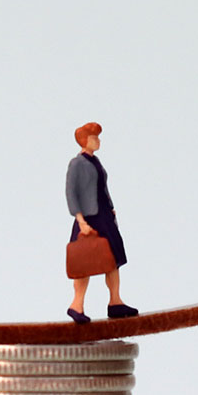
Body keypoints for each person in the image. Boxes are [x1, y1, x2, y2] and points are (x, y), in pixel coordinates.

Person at [64, 122, 139, 323]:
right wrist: (80, 220)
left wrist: (111, 208)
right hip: (89, 217)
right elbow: (71, 193)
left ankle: (115, 301)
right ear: (84, 140)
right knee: (83, 263)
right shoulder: (77, 163)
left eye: (98, 137)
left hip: (104, 215)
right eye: (94, 137)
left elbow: (102, 188)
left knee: (113, 260)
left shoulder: (96, 161)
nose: (98, 141)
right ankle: (76, 305)